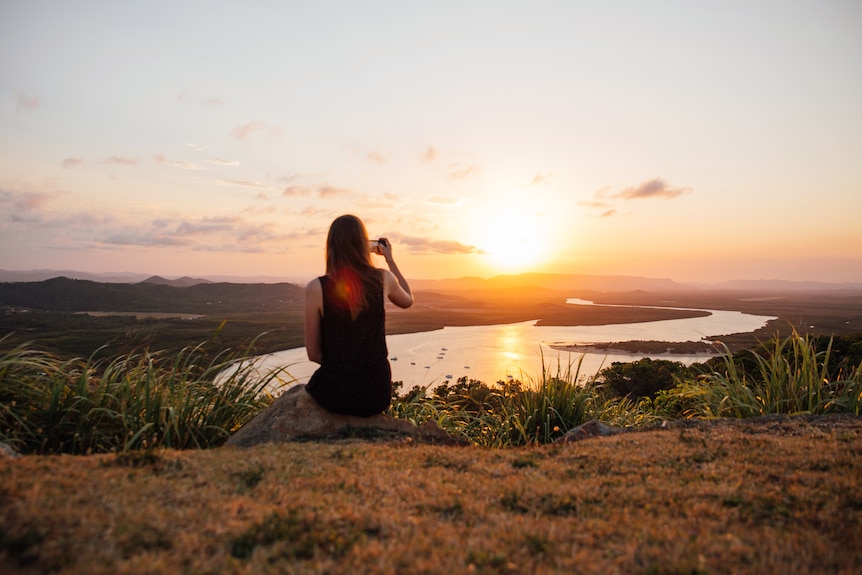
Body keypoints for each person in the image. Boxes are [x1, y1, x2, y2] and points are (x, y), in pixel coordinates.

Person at [303, 214, 413, 416]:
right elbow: (408, 300)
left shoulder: (316, 288)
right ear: (364, 244)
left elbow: (314, 354)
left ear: (332, 246)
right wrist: (390, 260)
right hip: (376, 394)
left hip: (333, 393)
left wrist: (344, 365)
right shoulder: (384, 279)